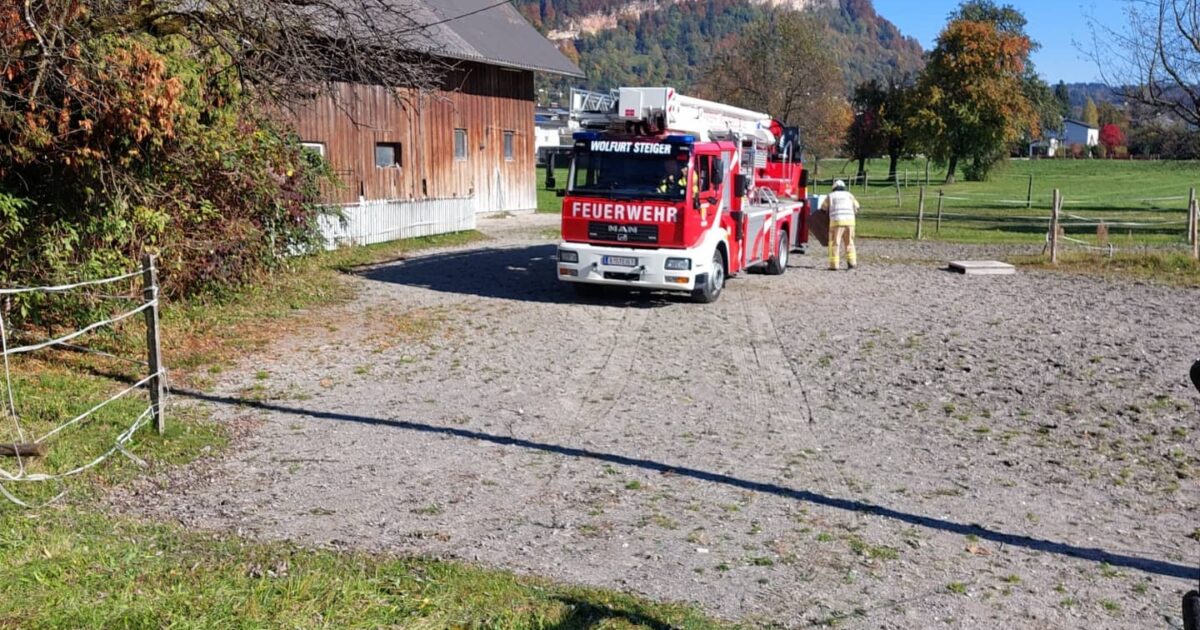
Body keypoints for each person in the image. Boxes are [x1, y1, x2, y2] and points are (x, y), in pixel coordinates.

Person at [820, 179, 860, 270]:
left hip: (836, 222)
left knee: (835, 243)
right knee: (849, 242)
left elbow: (823, 209)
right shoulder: (849, 195)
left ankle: (834, 265)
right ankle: (852, 263)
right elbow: (857, 206)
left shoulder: (830, 196)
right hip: (850, 222)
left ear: (834, 188)